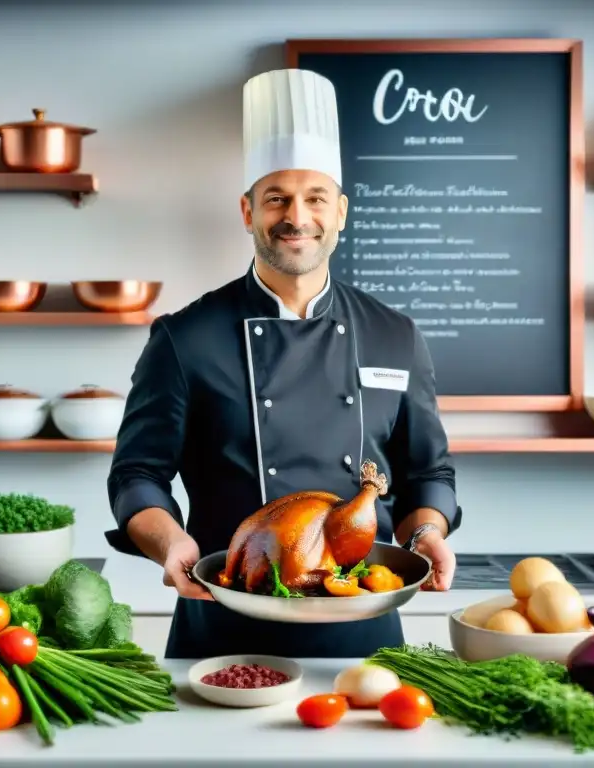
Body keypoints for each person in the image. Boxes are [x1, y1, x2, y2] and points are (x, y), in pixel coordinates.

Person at [106, 68, 461, 659]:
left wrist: (427, 533)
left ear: (341, 212)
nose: (297, 216)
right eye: (277, 199)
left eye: (315, 197)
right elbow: (136, 474)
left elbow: (429, 473)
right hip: (221, 612)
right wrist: (171, 543)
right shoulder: (185, 337)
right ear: (248, 212)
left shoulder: (394, 335)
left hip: (362, 621)